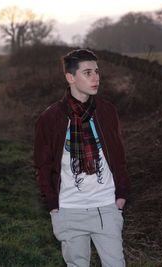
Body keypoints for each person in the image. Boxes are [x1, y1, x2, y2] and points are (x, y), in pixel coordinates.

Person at [33, 48, 130, 267]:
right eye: (87, 73)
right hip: (69, 209)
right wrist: (52, 206)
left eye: (97, 71)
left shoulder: (106, 111)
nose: (95, 77)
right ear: (70, 77)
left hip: (106, 207)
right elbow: (42, 166)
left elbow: (119, 155)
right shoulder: (50, 119)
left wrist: (121, 195)